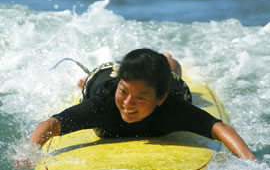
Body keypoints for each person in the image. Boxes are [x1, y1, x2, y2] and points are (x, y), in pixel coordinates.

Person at [30, 48, 255, 161]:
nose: (128, 104)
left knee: (173, 74)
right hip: (105, 77)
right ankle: (91, 81)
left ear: (160, 99)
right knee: (101, 79)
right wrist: (29, 153)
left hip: (164, 84)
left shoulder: (172, 107)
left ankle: (167, 60)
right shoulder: (102, 106)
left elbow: (219, 128)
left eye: (140, 98)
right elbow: (50, 124)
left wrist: (250, 163)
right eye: (124, 93)